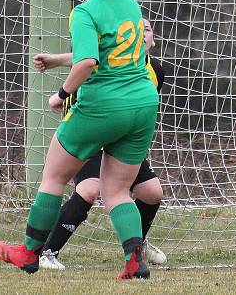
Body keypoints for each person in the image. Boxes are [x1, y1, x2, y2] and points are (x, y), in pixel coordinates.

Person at [0, 0, 159, 280]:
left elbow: (88, 61)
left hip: (103, 106)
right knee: (115, 191)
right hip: (143, 103)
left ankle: (29, 253)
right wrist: (57, 59)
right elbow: (109, 52)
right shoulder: (130, 5)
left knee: (54, 176)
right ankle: (134, 261)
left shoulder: (84, 12)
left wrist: (61, 93)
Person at [32, 18, 168, 270]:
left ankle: (137, 243)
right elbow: (86, 60)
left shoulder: (155, 72)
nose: (142, 34)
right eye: (137, 30)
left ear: (153, 39)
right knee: (90, 189)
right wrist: (58, 73)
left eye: (147, 30)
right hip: (92, 133)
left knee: (152, 193)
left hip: (120, 138)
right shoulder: (112, 59)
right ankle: (47, 252)